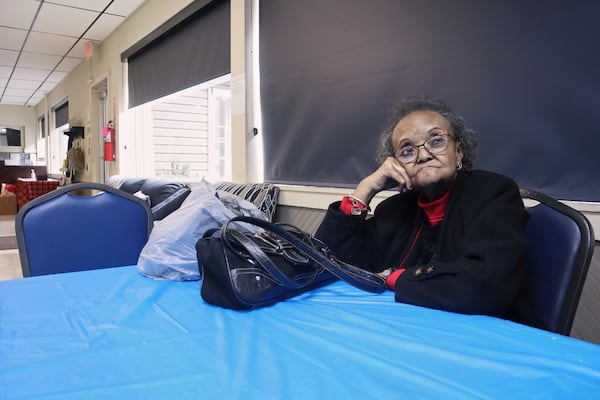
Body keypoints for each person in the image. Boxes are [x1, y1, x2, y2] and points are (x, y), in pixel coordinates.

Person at [316, 98, 539, 327]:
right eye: (407, 150)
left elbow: (484, 285)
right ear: (397, 164)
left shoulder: (494, 193)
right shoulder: (394, 209)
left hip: (486, 334)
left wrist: (398, 277)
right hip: (409, 328)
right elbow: (329, 262)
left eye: (436, 141)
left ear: (459, 152)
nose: (423, 155)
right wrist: (365, 189)